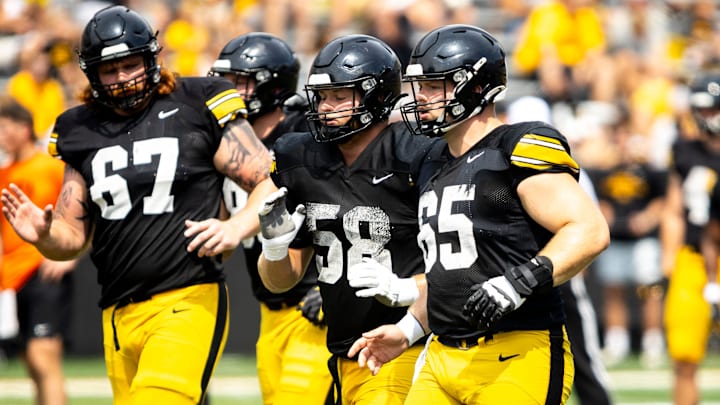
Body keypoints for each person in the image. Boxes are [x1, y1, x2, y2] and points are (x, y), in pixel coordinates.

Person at [0, 6, 275, 404]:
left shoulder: (199, 101)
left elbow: (267, 181)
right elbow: (72, 236)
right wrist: (43, 236)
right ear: (91, 73)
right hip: (116, 313)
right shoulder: (78, 129)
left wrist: (236, 227)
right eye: (109, 70)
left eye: (129, 65)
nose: (121, 79)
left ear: (151, 58)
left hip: (186, 298)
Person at [347, 24, 610, 405]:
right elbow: (450, 273)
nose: (421, 99)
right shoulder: (430, 160)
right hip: (441, 354)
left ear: (475, 87)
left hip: (517, 351)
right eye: (420, 87)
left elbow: (589, 230)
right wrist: (407, 330)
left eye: (435, 87)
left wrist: (518, 281)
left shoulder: (514, 147)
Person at [255, 34, 446, 405]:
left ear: (376, 95)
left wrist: (406, 288)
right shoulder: (302, 159)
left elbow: (463, 263)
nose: (326, 107)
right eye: (322, 97)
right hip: (345, 352)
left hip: (405, 346)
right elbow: (281, 281)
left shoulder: (417, 154)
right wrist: (274, 249)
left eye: (340, 96)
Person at [208, 32, 332, 405]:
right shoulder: (223, 142)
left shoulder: (305, 139)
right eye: (223, 81)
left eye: (239, 82)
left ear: (272, 86)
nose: (227, 91)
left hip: (313, 305)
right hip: (271, 308)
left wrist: (333, 289)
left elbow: (346, 209)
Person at [506, 95, 613, 405]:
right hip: (510, 276)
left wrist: (569, 271)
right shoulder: (497, 163)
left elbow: (588, 228)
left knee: (583, 362)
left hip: (553, 274)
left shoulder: (559, 167)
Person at [0, 96, 77, 405]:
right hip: (14, 278)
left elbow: (83, 212)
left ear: (24, 127)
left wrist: (71, 257)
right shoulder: (5, 172)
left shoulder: (49, 166)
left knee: (44, 357)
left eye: (5, 127)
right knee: (30, 362)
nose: (2, 135)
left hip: (43, 270)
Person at [586, 109, 667, 369]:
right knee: (613, 291)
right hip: (616, 238)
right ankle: (616, 341)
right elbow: (596, 200)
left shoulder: (649, 169)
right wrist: (604, 215)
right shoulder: (603, 170)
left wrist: (648, 218)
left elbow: (662, 200)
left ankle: (653, 342)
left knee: (650, 290)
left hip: (643, 239)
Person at [664, 70, 720, 405]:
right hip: (694, 256)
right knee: (684, 355)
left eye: (714, 109)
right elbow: (674, 207)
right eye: (704, 110)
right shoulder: (684, 150)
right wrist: (669, 257)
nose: (708, 117)